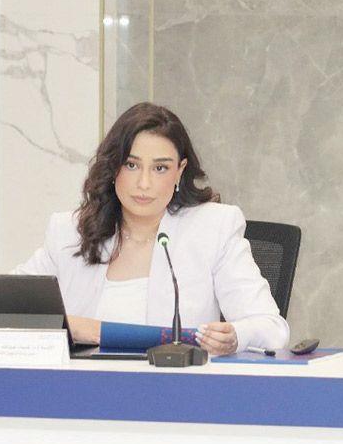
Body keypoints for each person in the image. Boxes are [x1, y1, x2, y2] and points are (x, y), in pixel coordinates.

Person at [15, 102, 289, 355]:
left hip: (174, 385)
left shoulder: (213, 228)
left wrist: (236, 336)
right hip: (81, 386)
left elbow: (272, 328)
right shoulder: (70, 232)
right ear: (113, 168)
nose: (144, 183)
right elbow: (9, 310)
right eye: (131, 165)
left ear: (180, 171)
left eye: (160, 168)